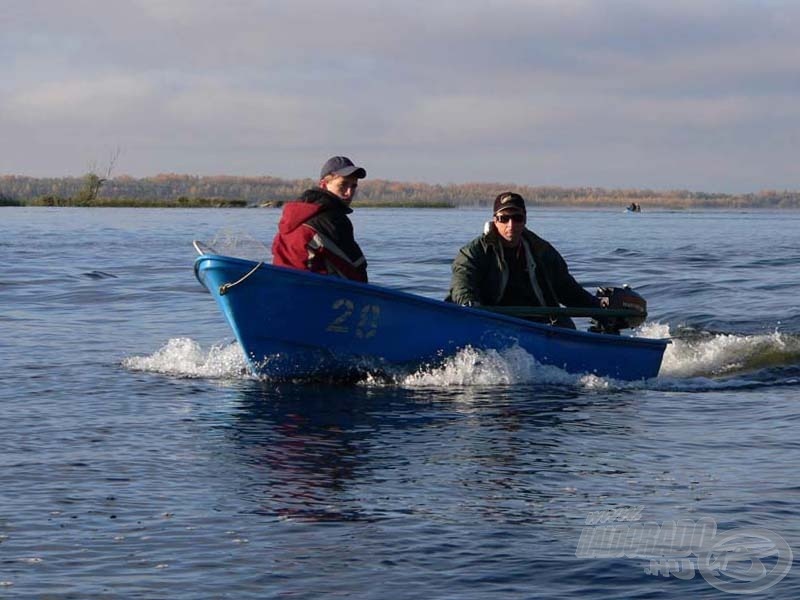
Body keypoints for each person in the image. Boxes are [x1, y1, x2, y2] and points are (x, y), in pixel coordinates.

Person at [446, 192, 602, 328]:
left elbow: (568, 290)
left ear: (525, 219)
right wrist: (470, 307)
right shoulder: (473, 252)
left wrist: (600, 309)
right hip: (491, 322)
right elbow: (462, 284)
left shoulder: (543, 251)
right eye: (504, 218)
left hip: (541, 326)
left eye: (517, 218)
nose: (511, 224)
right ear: (495, 220)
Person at [272, 156, 368, 282]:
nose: (349, 193)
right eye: (343, 185)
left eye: (353, 186)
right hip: (315, 292)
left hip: (280, 284)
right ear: (324, 184)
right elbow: (355, 271)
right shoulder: (333, 219)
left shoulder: (294, 214)